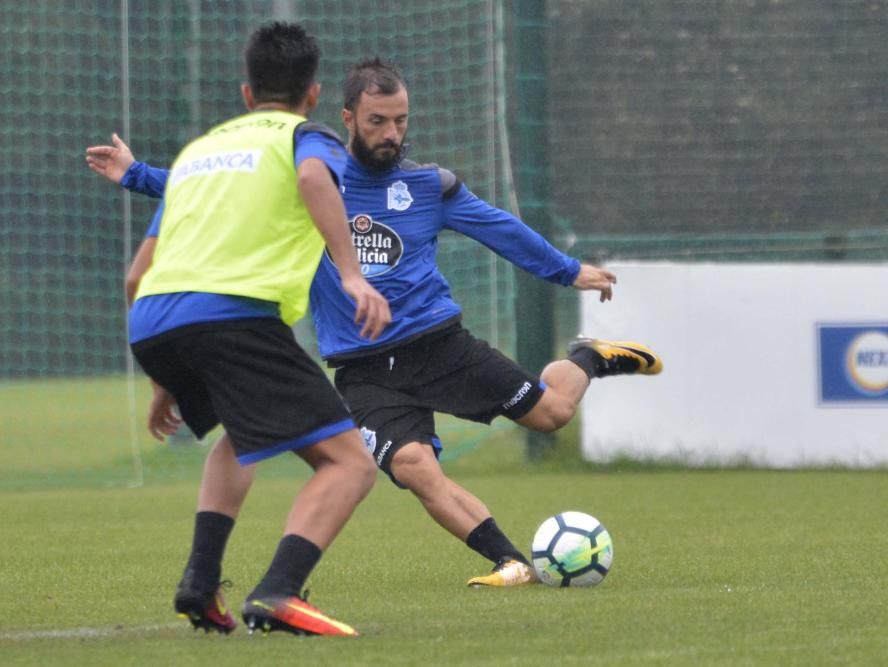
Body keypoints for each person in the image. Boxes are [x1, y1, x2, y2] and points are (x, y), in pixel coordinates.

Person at [87, 58, 661, 591]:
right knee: (414, 467)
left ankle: (589, 357)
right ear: (347, 119)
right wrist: (135, 174)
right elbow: (212, 189)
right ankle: (510, 561)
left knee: (552, 415)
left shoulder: (430, 186)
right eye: (378, 121)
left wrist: (566, 272)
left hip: (442, 346)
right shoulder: (308, 181)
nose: (391, 133)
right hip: (363, 371)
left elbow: (501, 229)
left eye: (400, 120)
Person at [108, 24, 391, 637]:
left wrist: (168, 379)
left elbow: (137, 276)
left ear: (245, 92)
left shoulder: (197, 153)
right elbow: (315, 181)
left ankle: (200, 584)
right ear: (314, 95)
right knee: (350, 464)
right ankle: (280, 592)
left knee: (239, 434)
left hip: (155, 318)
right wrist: (352, 275)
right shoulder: (305, 136)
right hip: (233, 317)